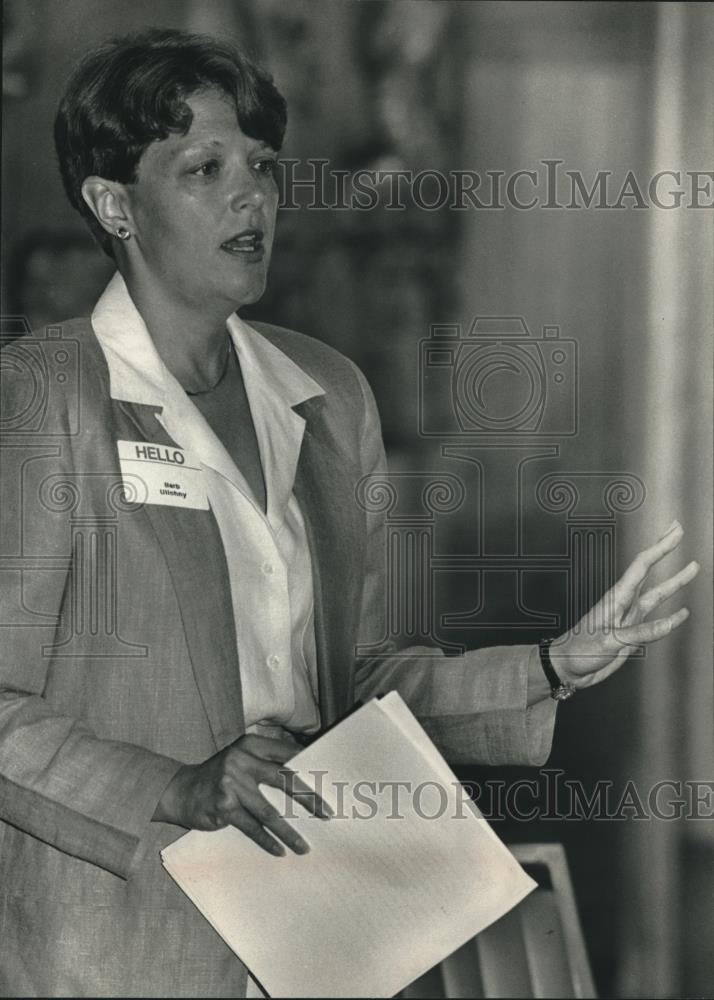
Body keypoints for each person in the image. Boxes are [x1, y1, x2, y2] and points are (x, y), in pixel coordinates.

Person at [0, 28, 699, 999]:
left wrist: (547, 665)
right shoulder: (42, 396)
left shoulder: (327, 393)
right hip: (117, 953)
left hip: (317, 934)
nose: (253, 196)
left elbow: (353, 684)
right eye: (205, 168)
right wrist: (180, 785)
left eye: (263, 167)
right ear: (114, 203)